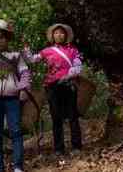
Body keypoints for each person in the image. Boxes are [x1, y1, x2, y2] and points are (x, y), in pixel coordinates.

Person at [0, 19, 31, 172]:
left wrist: (23, 89)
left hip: (12, 98)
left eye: (2, 37)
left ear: (7, 39)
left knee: (16, 131)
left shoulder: (16, 56)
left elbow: (25, 73)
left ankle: (18, 167)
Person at [23, 23, 82, 156]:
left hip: (69, 84)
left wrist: (70, 74)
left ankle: (76, 146)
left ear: (65, 35)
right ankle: (59, 149)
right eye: (56, 33)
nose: (59, 35)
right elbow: (32, 59)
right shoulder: (47, 51)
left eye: (62, 33)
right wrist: (26, 48)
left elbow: (78, 66)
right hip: (52, 86)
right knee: (56, 117)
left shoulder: (73, 50)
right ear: (52, 36)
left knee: (73, 116)